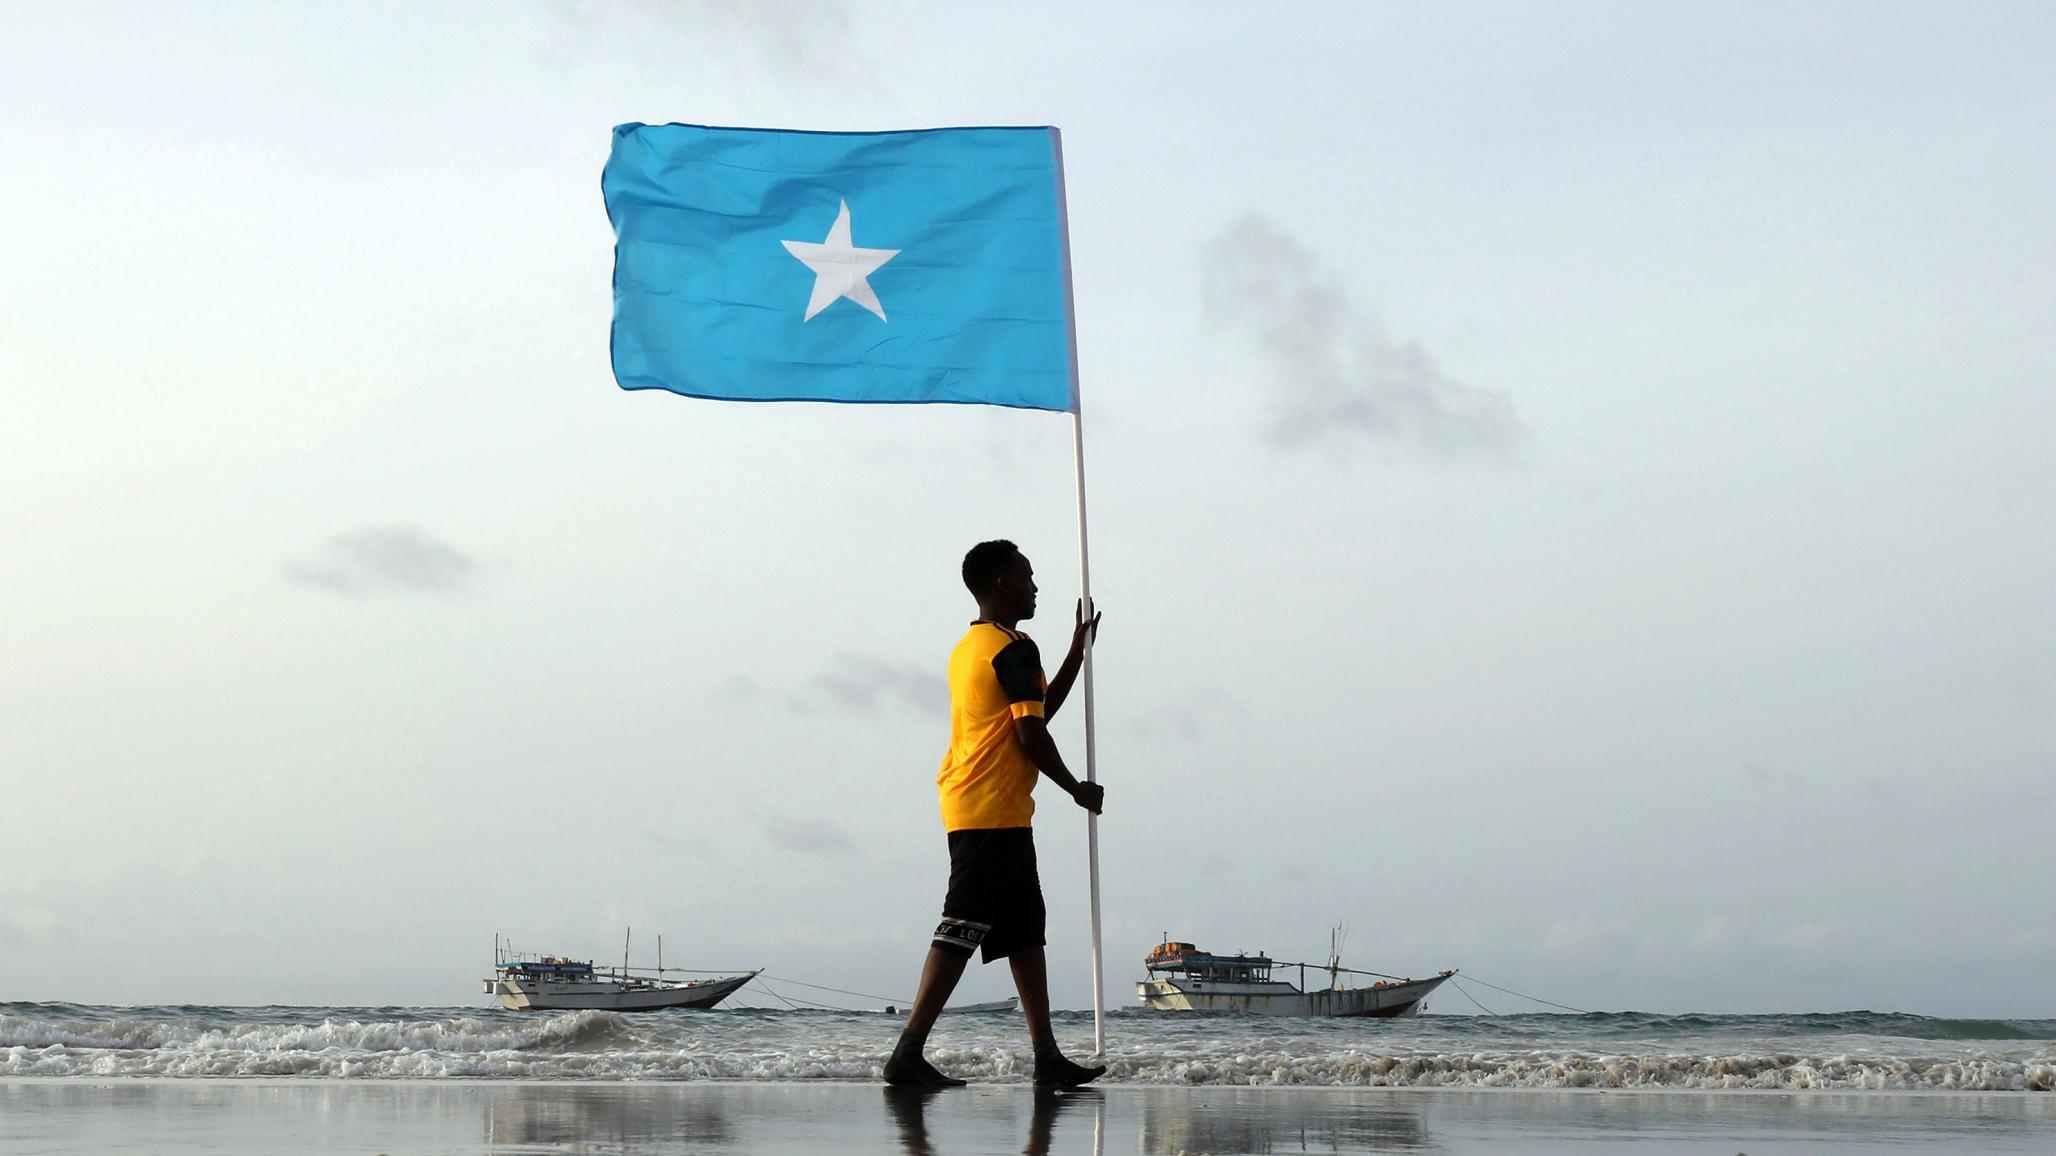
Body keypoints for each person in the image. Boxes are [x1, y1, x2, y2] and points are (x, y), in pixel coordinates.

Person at [882, 539, 1107, 1089]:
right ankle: (907, 1052)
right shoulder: (1011, 649)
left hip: (992, 807)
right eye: (1028, 575)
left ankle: (1046, 1056)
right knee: (960, 927)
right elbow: (1031, 737)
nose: (1036, 586)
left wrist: (1077, 653)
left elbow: (1034, 712)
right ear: (1002, 583)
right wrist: (1076, 788)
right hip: (988, 809)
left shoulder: (975, 646)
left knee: (1025, 932)